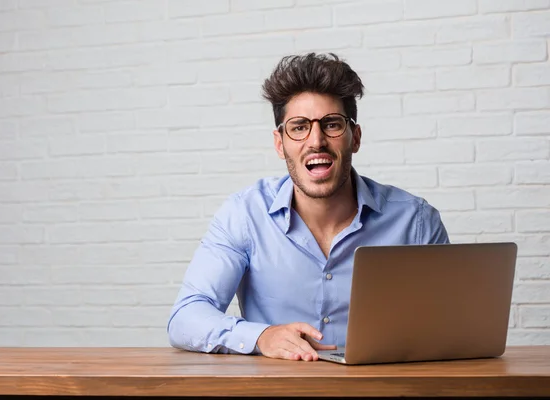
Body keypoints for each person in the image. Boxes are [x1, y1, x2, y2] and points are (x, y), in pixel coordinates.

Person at [167, 53, 449, 362]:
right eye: (299, 127)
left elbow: (448, 328)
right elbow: (186, 317)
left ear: (355, 138)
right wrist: (261, 336)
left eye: (331, 124)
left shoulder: (416, 222)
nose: (316, 141)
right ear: (280, 143)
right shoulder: (244, 215)